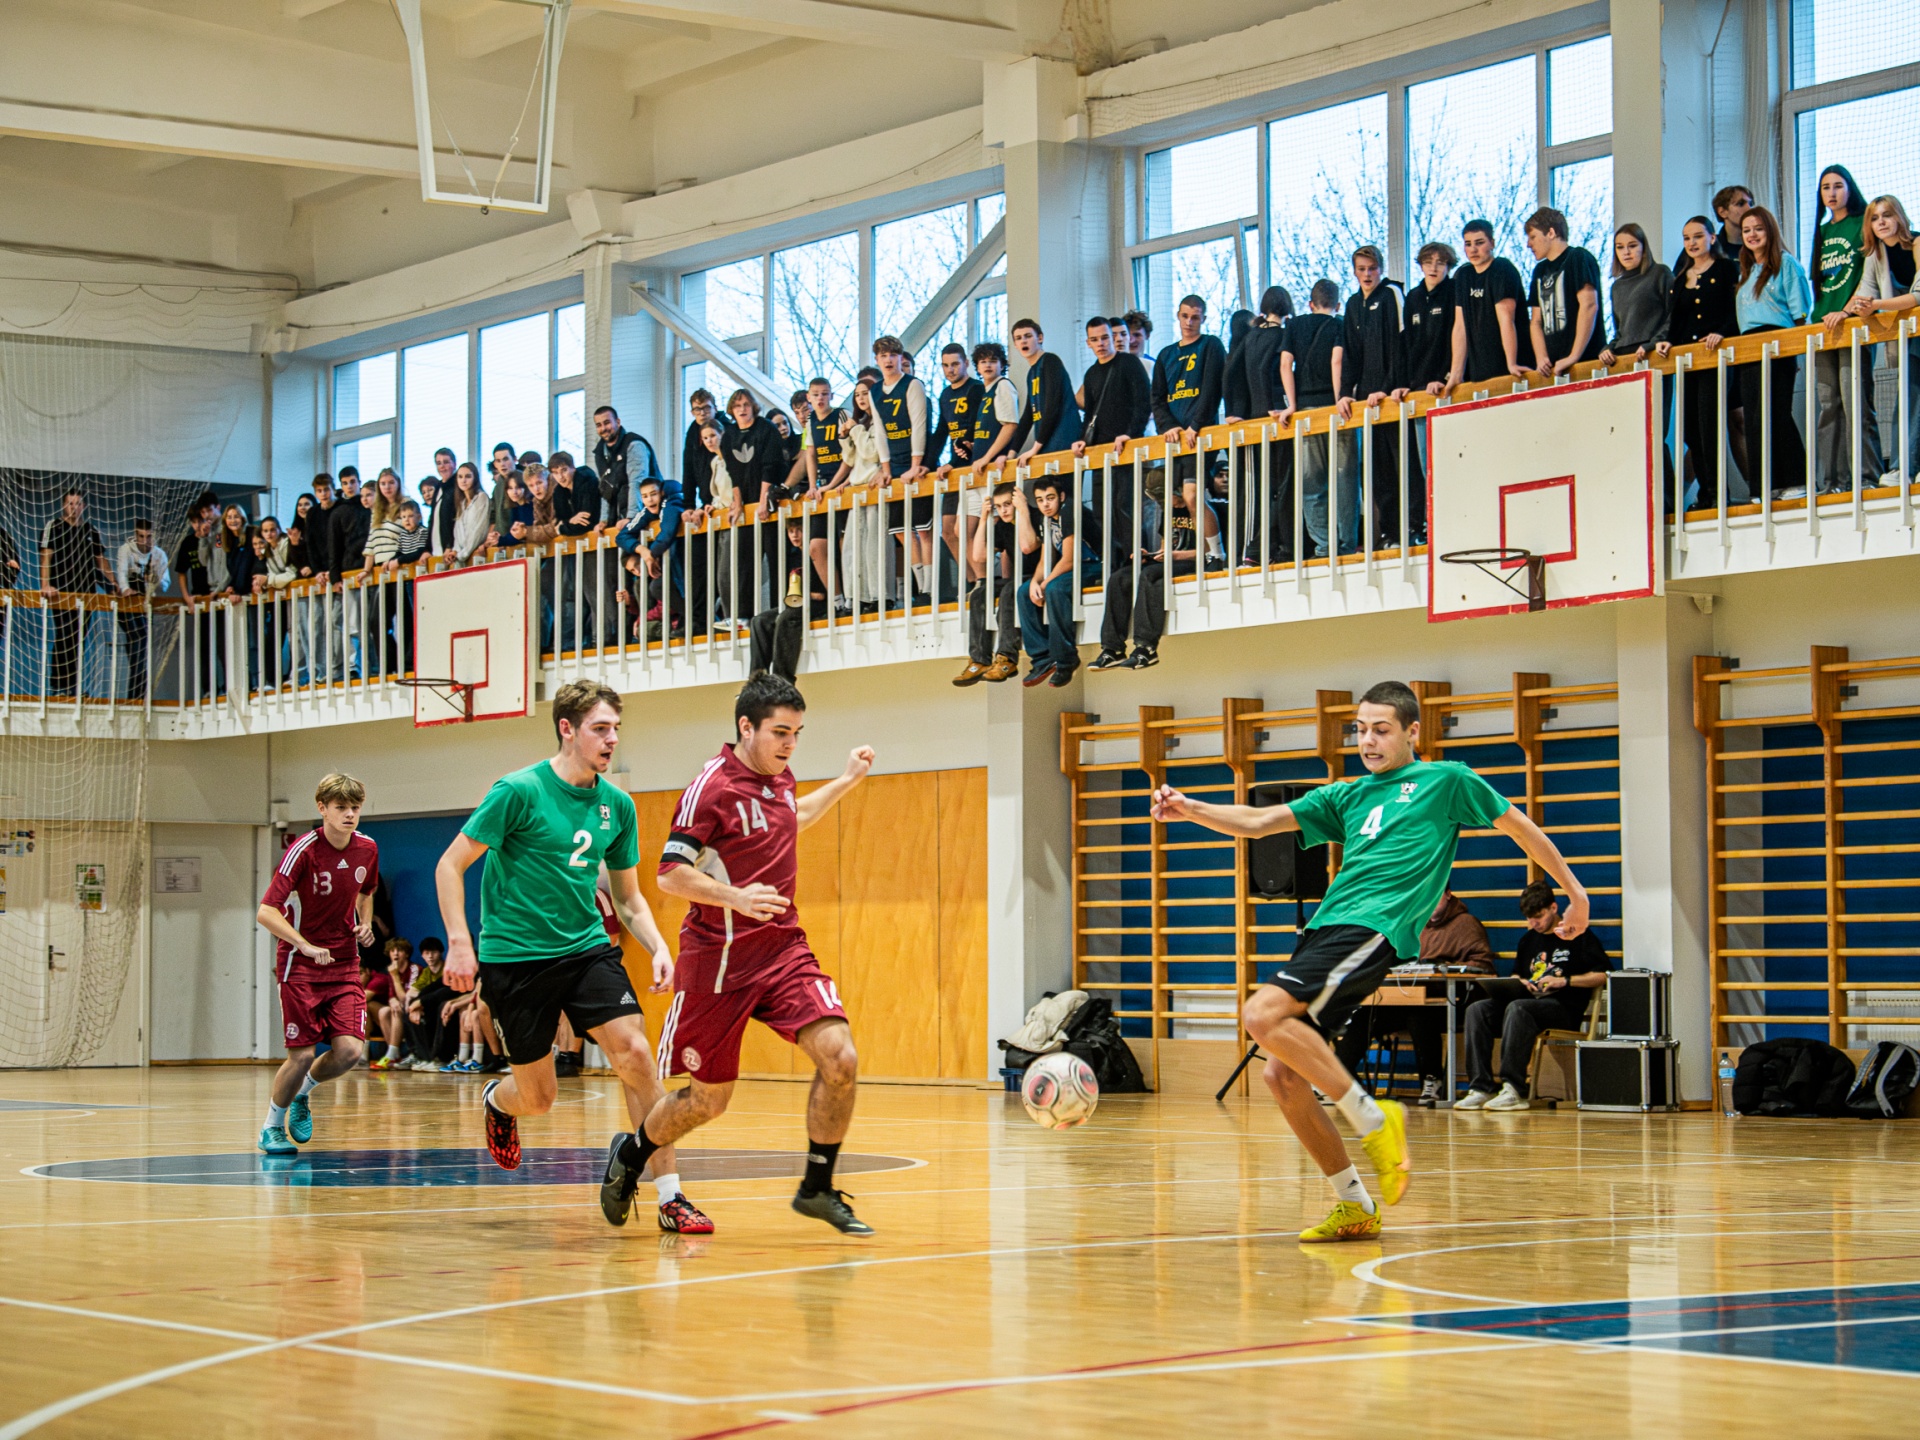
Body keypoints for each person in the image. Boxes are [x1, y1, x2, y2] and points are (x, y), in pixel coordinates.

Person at [1149, 680, 1591, 1241]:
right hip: (1325, 929)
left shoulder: (1446, 781)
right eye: (1360, 730)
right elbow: (1259, 823)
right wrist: (1189, 808)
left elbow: (1521, 829)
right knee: (1282, 1075)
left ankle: (1375, 1119)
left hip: (1373, 927)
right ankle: (1355, 1205)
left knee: (1260, 1014)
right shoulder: (1346, 795)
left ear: (1412, 732)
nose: (1368, 741)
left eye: (1381, 730)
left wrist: (1574, 892)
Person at [435, 678, 713, 1233]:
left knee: (636, 1053)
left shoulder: (617, 806)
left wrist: (659, 946)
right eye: (600, 729)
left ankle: (670, 1195)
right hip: (516, 960)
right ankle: (498, 1101)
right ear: (567, 728)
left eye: (616, 729)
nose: (612, 740)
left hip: (586, 951)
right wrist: (460, 942)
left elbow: (628, 898)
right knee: (539, 1098)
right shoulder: (517, 791)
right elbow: (450, 864)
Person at [614, 674, 876, 1235]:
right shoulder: (711, 788)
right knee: (708, 1102)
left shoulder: (780, 779)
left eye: (797, 733)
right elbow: (669, 874)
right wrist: (735, 897)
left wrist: (846, 781)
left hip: (782, 951)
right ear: (746, 727)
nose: (790, 744)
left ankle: (816, 1188)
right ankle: (632, 1155)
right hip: (718, 962)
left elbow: (791, 818)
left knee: (841, 1058)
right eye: (780, 732)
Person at [253, 773, 379, 1154]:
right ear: (322, 808)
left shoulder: (368, 848)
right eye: (341, 807)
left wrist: (365, 923)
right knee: (303, 1054)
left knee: (350, 1052)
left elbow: (367, 891)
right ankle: (271, 1127)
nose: (349, 814)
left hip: (344, 963)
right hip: (301, 966)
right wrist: (303, 944)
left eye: (355, 807)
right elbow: (266, 911)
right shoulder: (303, 851)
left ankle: (302, 1093)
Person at [1457, 879, 1610, 1111]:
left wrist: (1565, 980)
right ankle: (1481, 1087)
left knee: (1518, 1008)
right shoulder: (1528, 940)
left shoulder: (1578, 936)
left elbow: (1603, 975)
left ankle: (1514, 1088)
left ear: (1553, 908)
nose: (1533, 923)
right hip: (1527, 1006)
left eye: (1538, 916)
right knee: (1477, 1010)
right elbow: (1517, 974)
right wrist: (1519, 983)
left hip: (1563, 1008)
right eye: (1529, 918)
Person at [1338, 889, 1496, 1107]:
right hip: (1409, 999)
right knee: (1365, 1015)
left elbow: (1483, 966)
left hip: (1451, 1003)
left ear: (1448, 894)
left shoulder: (1466, 924)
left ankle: (1433, 1080)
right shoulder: (1416, 926)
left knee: (1420, 1013)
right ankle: (1343, 1077)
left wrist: (1444, 969)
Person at [1657, 215, 1745, 512]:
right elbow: (1677, 320)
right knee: (1691, 428)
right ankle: (1705, 493)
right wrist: (1667, 341)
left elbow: (1735, 310)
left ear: (1712, 237)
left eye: (1697, 236)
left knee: (1710, 425)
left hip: (1715, 357)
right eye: (1687, 238)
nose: (1692, 243)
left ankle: (1719, 492)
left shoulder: (1726, 269)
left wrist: (1723, 332)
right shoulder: (1681, 276)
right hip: (1689, 360)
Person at [1808, 165, 1883, 493]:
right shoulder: (1821, 231)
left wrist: (1847, 309)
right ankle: (1833, 483)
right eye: (1826, 187)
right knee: (1829, 406)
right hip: (1824, 327)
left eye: (1838, 185)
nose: (1832, 192)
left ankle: (1866, 478)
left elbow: (1869, 276)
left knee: (1856, 403)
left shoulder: (1862, 224)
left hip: (1853, 324)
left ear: (1849, 189)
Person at [1734, 205, 1813, 498]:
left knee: (1776, 412)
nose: (1752, 235)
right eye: (1746, 230)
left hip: (1778, 343)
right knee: (1754, 418)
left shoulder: (1786, 264)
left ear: (1770, 230)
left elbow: (1800, 311)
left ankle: (1797, 480)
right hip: (1748, 348)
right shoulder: (1746, 271)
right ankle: (1765, 486)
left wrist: (1795, 350)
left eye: (1758, 228)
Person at [1336, 246, 1408, 547]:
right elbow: (1350, 354)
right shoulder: (1353, 304)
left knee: (1402, 465)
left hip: (1393, 397)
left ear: (1381, 269)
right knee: (1378, 473)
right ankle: (1390, 533)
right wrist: (1344, 393)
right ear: (1354, 271)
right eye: (1362, 269)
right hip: (1367, 402)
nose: (1367, 275)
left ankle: (1411, 529)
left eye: (1372, 268)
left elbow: (1401, 344)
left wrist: (1389, 386)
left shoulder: (1392, 294)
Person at [1843, 195, 1920, 475]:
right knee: (1908, 396)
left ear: (1899, 216)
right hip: (1908, 336)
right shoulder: (1876, 254)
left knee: (1912, 396)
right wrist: (1845, 312)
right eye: (1875, 218)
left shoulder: (1917, 244)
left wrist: (1876, 305)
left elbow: (1918, 296)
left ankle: (1904, 467)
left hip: (1915, 331)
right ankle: (1903, 467)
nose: (1882, 222)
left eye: (1887, 215)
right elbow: (1865, 292)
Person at [1598, 222, 1675, 503]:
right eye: (1620, 247)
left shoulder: (1660, 274)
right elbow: (1620, 330)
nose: (1626, 252)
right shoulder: (1617, 287)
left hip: (1654, 356)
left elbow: (1672, 316)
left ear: (1643, 247)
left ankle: (1667, 500)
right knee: (1630, 432)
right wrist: (1608, 348)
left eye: (1632, 246)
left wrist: (1654, 342)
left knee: (1655, 431)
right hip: (1626, 356)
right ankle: (1637, 499)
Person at [1150, 294, 1228, 567]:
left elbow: (1212, 390)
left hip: (1200, 437)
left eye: (1195, 317)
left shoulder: (1211, 345)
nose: (1189, 322)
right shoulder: (1166, 355)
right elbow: (1157, 398)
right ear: (1178, 316)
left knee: (1193, 495)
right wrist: (1168, 426)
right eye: (1185, 316)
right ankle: (1197, 554)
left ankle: (1216, 553)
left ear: (1203, 319)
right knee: (1178, 500)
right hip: (1176, 441)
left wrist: (1196, 425)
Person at [1087, 471, 1193, 672]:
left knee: (1150, 575)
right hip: (1171, 560)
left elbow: (1210, 551)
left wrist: (1174, 555)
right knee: (1119, 577)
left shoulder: (1198, 509)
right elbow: (1165, 548)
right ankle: (1112, 648)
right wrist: (1151, 555)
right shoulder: (1169, 512)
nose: (1162, 503)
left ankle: (1146, 647)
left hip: (1191, 561)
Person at [1276, 279, 1352, 558]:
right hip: (1335, 409)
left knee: (1311, 484)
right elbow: (1336, 361)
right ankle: (1346, 543)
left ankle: (1323, 545)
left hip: (1306, 411)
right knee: (1344, 479)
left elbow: (1285, 364)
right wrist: (1339, 397)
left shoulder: (1294, 325)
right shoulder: (1339, 324)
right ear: (1338, 305)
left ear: (1310, 304)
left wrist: (1292, 405)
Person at [1071, 315, 1151, 569]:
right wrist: (1081, 440)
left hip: (1125, 448)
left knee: (1124, 506)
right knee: (1100, 510)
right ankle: (1113, 563)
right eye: (1095, 340)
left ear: (1113, 337)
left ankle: (1135, 559)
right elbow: (1090, 415)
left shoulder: (1129, 363)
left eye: (1105, 338)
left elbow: (1143, 402)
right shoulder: (1092, 373)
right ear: (1088, 343)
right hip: (1099, 451)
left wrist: (1130, 434)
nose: (1101, 344)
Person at [1226, 286, 1295, 563]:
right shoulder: (1283, 335)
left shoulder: (1251, 336)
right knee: (1284, 485)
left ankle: (1255, 549)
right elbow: (1278, 370)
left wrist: (1233, 411)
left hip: (1254, 418)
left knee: (1261, 487)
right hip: (1279, 415)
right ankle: (1278, 546)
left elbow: (1231, 371)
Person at [1394, 243, 1456, 519]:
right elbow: (1408, 344)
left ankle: (1451, 515)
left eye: (1440, 262)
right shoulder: (1414, 297)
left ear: (1448, 266)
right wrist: (1405, 382)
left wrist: (1443, 377)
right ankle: (1433, 520)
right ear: (1420, 265)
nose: (1434, 267)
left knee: (1448, 457)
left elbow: (1454, 340)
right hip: (1419, 390)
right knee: (1424, 462)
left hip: (1446, 385)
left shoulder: (1453, 292)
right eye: (1428, 262)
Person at [872, 336, 933, 600]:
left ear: (900, 358)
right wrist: (886, 469)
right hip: (895, 464)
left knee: (923, 529)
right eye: (883, 356)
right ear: (877, 360)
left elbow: (919, 425)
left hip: (914, 463)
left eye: (893, 355)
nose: (889, 360)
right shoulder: (875, 391)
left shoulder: (912, 384)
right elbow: (880, 431)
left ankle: (930, 588)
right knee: (902, 531)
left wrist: (915, 465)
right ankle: (920, 585)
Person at [37, 488, 112, 697]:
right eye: (70, 503)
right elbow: (46, 557)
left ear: (83, 507)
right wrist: (45, 584)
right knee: (64, 635)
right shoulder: (53, 526)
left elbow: (101, 561)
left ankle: (73, 687)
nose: (74, 507)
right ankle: (59, 687)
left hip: (86, 594)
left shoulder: (90, 530)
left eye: (78, 503)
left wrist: (115, 584)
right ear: (64, 505)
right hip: (60, 593)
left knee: (79, 639)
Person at [951, 482, 1028, 685]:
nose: (1003, 510)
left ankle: (1006, 657)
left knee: (1009, 590)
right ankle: (979, 659)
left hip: (1037, 576)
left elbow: (1028, 547)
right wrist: (984, 519)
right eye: (998, 506)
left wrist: (1024, 511)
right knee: (979, 594)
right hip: (1018, 578)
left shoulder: (1032, 517)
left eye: (1007, 505)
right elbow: (979, 556)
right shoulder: (1002, 525)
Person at [1014, 473, 1083, 689]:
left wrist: (1044, 585)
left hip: (1091, 564)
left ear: (1061, 497)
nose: (1045, 504)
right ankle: (1042, 658)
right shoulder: (1047, 520)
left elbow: (1070, 559)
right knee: (1024, 592)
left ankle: (1066, 659)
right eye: (1040, 500)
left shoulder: (1069, 511)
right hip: (1067, 568)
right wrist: (1036, 582)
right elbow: (1046, 560)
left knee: (1054, 589)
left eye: (1050, 498)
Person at [1523, 206, 1603, 376]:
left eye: (1533, 237)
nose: (1529, 244)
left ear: (1551, 233)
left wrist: (1573, 356)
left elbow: (1589, 306)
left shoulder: (1578, 257)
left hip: (1584, 364)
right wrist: (1541, 358)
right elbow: (1536, 321)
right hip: (1553, 369)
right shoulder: (1539, 271)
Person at [1449, 219, 1527, 386]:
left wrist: (1511, 363)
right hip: (1479, 372)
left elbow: (1506, 319)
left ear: (1492, 243)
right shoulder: (1464, 275)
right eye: (1468, 244)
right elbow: (1460, 326)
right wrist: (1456, 373)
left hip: (1507, 370)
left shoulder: (1502, 268)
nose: (1473, 249)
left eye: (1479, 243)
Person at [113, 517, 169, 702]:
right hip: (128, 606)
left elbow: (166, 583)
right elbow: (121, 574)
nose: (145, 541)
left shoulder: (159, 554)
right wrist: (126, 589)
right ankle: (137, 697)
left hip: (146, 607)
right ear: (135, 535)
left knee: (138, 650)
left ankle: (136, 696)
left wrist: (154, 580)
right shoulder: (125, 550)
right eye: (141, 536)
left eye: (149, 536)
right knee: (138, 642)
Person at [748, 515, 809, 682]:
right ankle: (756, 679)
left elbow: (822, 593)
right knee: (759, 621)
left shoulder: (813, 552)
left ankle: (782, 679)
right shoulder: (791, 556)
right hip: (797, 602)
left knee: (785, 619)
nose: (795, 535)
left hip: (815, 602)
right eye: (791, 531)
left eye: (799, 530)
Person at [1009, 319, 1082, 457]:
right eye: (1018, 338)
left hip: (1065, 440)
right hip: (1047, 443)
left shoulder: (1050, 361)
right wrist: (1011, 453)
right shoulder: (1031, 373)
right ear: (1015, 345)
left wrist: (1035, 448)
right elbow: (1028, 415)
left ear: (1040, 338)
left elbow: (1052, 406)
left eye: (1028, 336)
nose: (1023, 341)